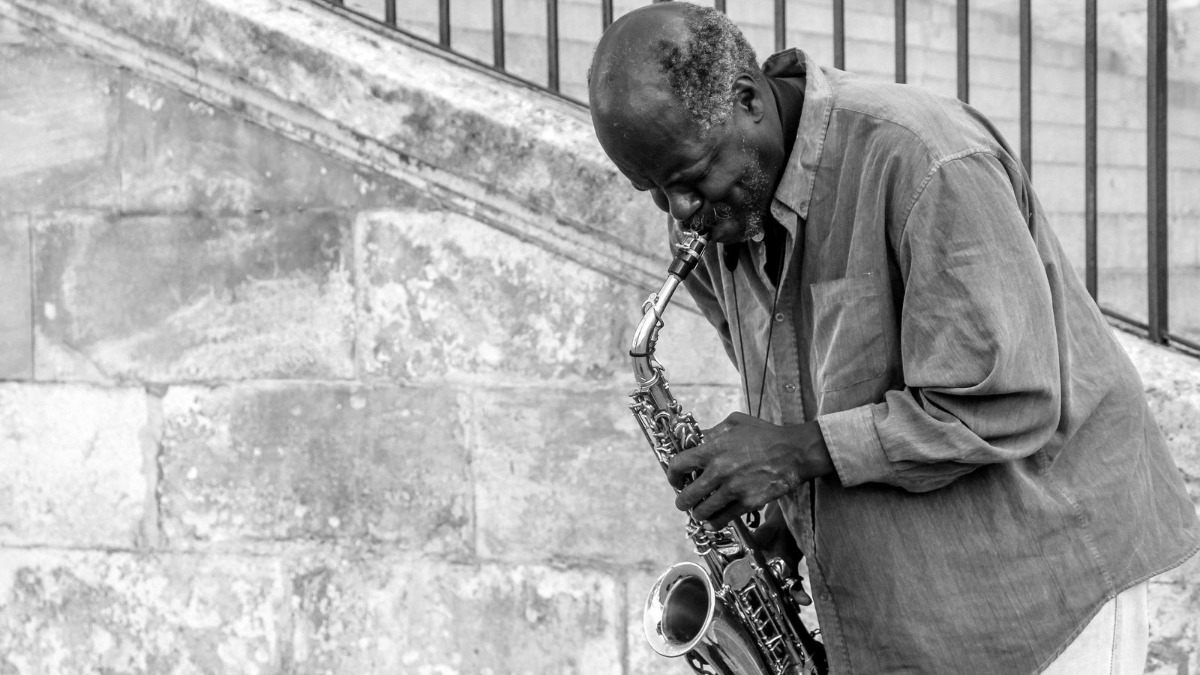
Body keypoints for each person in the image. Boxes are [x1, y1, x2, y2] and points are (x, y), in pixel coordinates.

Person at [587, 3, 1200, 673]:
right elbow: (814, 393)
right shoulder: (717, 219)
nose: (678, 213)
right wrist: (792, 518)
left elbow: (1009, 402)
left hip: (1042, 596)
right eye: (654, 191)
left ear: (746, 100)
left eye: (689, 176)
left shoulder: (926, 160)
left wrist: (797, 453)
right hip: (915, 614)